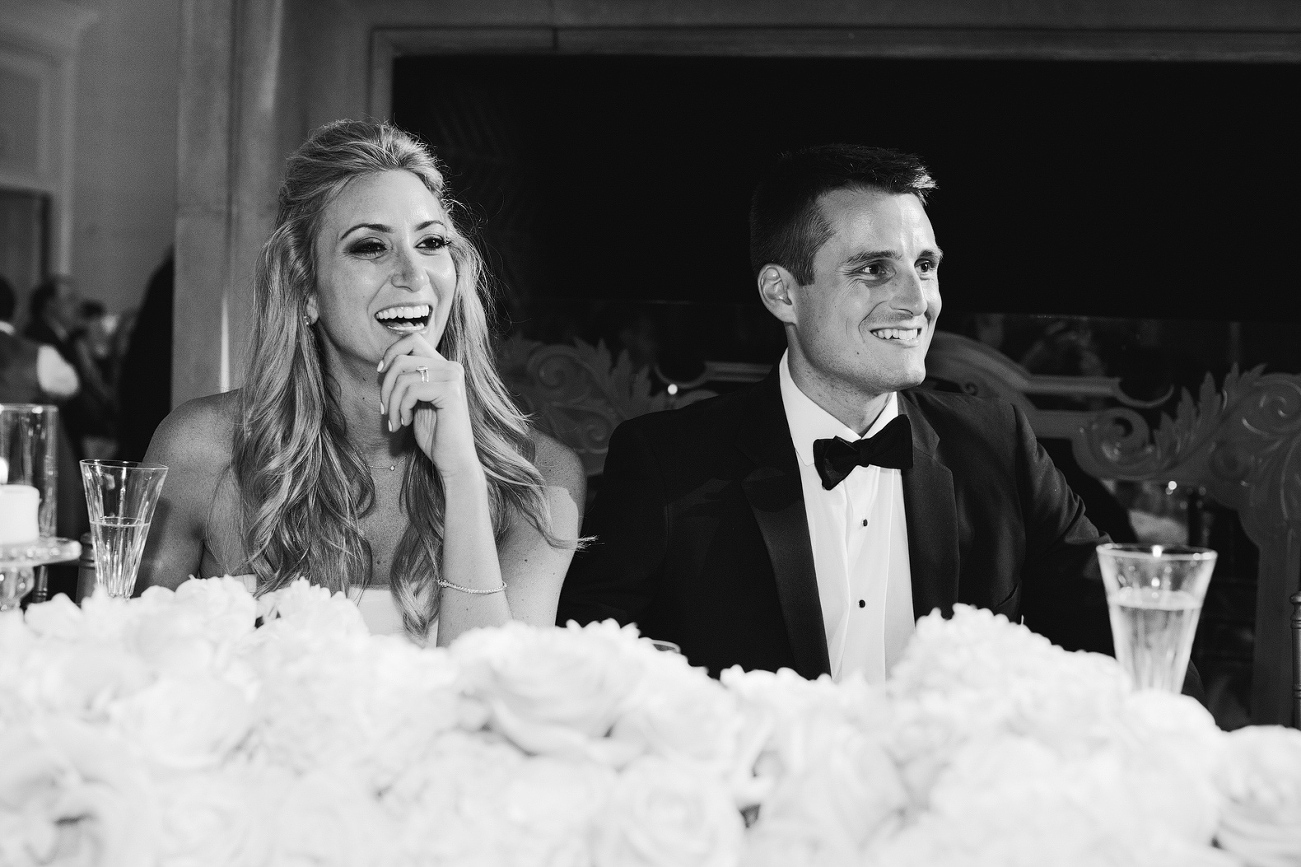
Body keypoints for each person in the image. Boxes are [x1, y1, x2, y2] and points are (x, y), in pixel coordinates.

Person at [557, 145, 1122, 683]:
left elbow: (1126, 640)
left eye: (925, 265)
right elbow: (581, 672)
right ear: (782, 294)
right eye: (874, 269)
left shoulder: (996, 444)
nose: (917, 299)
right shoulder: (666, 462)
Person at [139, 120, 585, 645]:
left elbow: (497, 689)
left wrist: (462, 473)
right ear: (305, 287)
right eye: (371, 246)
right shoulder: (200, 450)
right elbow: (109, 671)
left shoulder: (540, 479)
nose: (413, 274)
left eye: (432, 242)